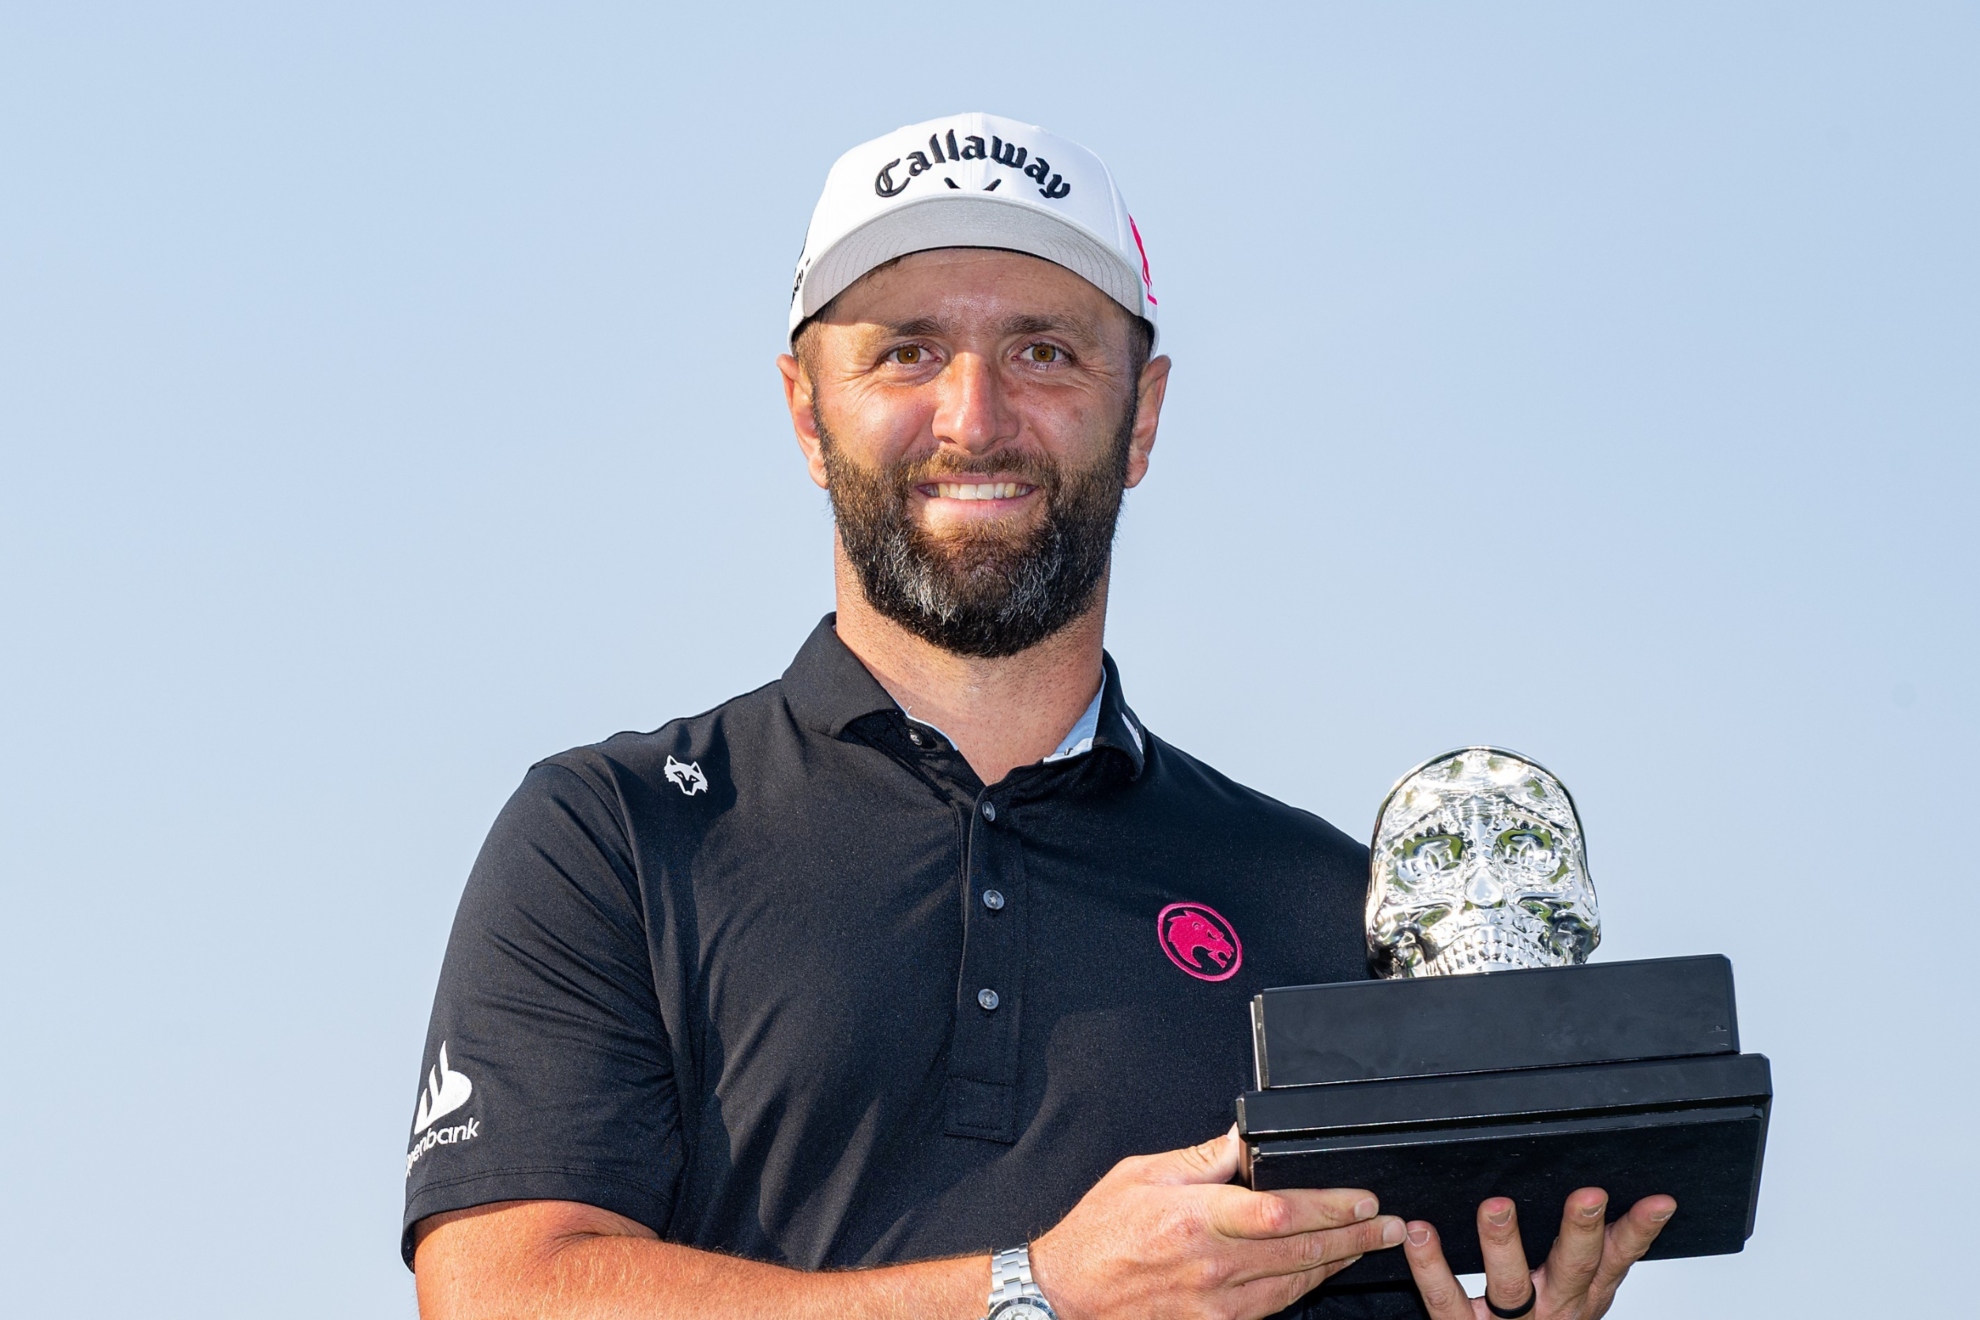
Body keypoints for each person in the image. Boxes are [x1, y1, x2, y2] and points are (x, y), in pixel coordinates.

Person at [402, 112, 1673, 1320]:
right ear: (805, 409)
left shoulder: (1325, 905)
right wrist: (1037, 1290)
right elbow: (501, 1291)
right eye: (907, 350)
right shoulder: (615, 836)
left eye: (1045, 352)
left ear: (1145, 415)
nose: (976, 417)